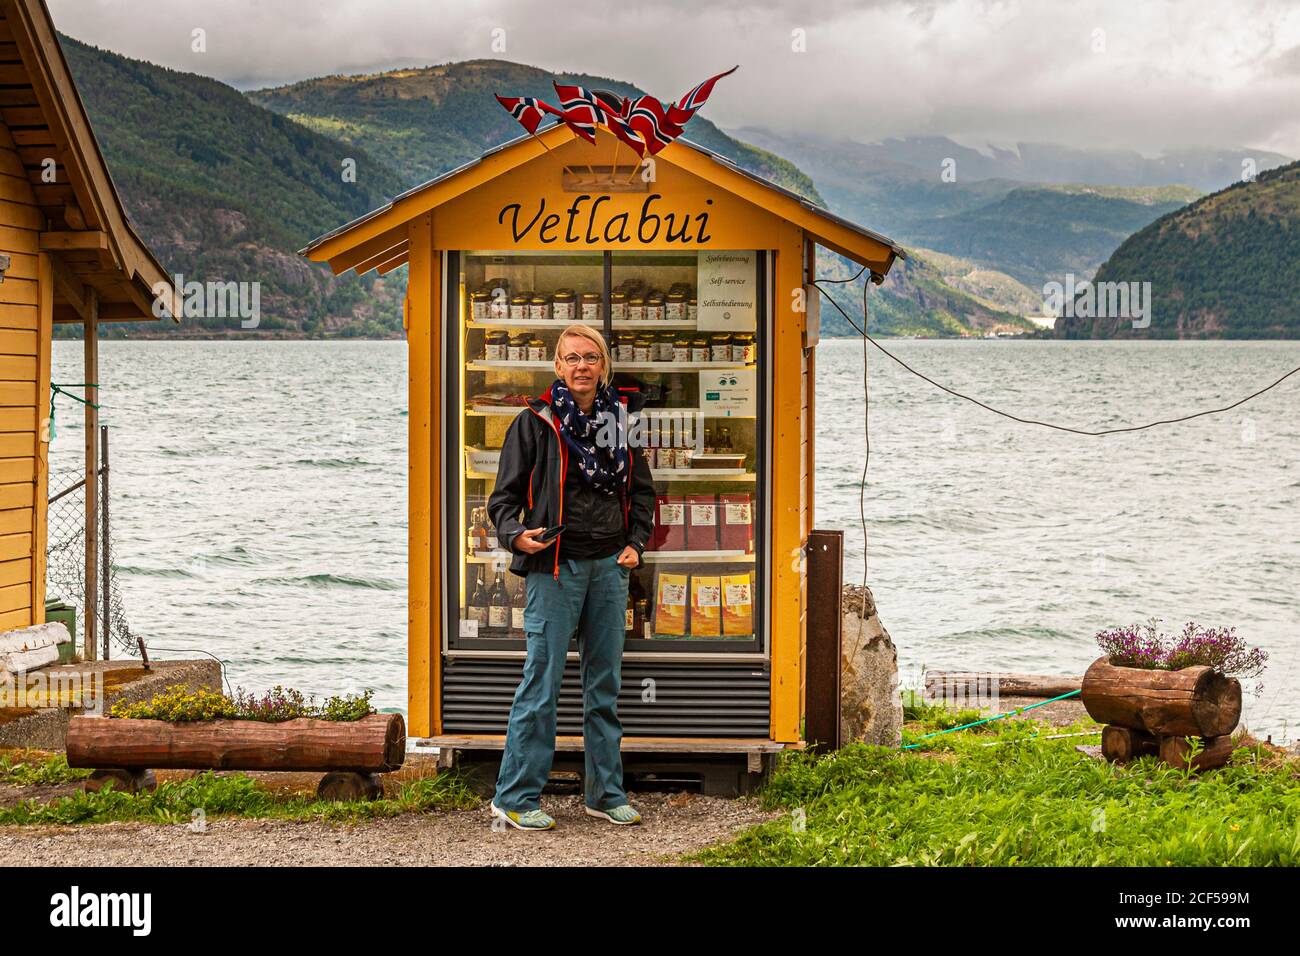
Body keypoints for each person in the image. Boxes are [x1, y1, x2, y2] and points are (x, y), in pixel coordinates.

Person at [486, 323, 655, 830]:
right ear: (558, 367)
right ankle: (515, 796)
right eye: (572, 358)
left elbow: (643, 493)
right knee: (541, 684)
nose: (582, 366)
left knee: (603, 687)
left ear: (602, 366)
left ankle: (604, 793)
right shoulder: (534, 423)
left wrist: (635, 544)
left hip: (608, 568)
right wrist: (516, 535)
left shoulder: (620, 423)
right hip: (555, 569)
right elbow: (503, 500)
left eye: (591, 357)